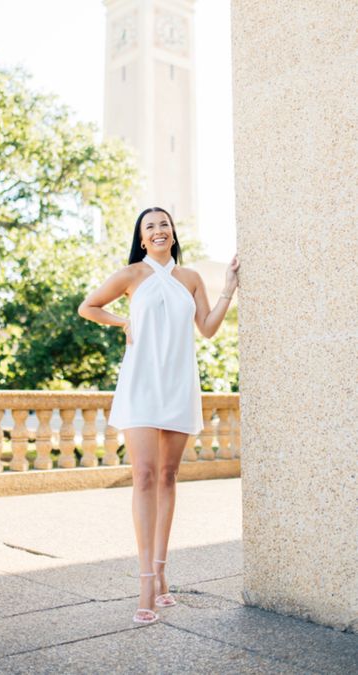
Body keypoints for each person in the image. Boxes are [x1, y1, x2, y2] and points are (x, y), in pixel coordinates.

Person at [78, 206, 240, 625]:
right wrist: (122, 322)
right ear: (142, 237)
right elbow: (88, 307)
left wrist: (228, 290)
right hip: (141, 385)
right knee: (144, 476)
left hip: (178, 385)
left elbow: (206, 328)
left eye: (164, 224)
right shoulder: (131, 275)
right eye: (150, 226)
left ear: (172, 232)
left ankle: (164, 572)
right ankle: (146, 580)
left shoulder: (190, 279)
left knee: (168, 476)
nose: (158, 230)